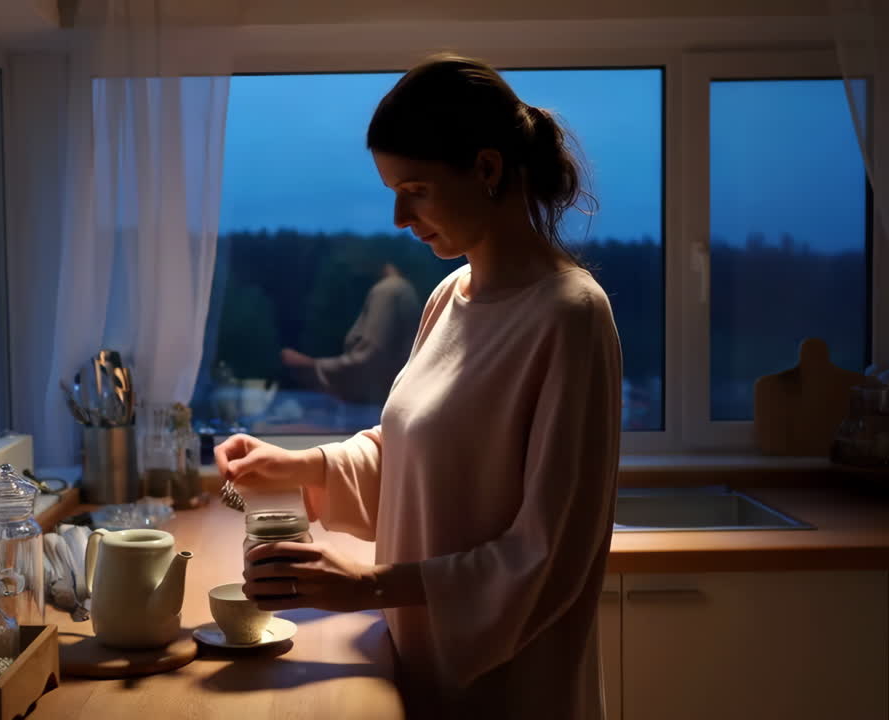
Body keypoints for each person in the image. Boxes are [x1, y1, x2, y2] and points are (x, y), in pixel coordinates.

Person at [214, 54, 622, 717]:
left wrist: (370, 584)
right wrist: (298, 464)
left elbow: (547, 555)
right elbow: (412, 450)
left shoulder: (570, 315)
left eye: (418, 189)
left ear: (487, 170)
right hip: (418, 663)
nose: (399, 217)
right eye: (392, 191)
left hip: (511, 686)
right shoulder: (448, 295)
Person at [279, 261, 422, 409]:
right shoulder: (404, 290)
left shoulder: (389, 290)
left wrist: (313, 366)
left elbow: (370, 356)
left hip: (375, 408)